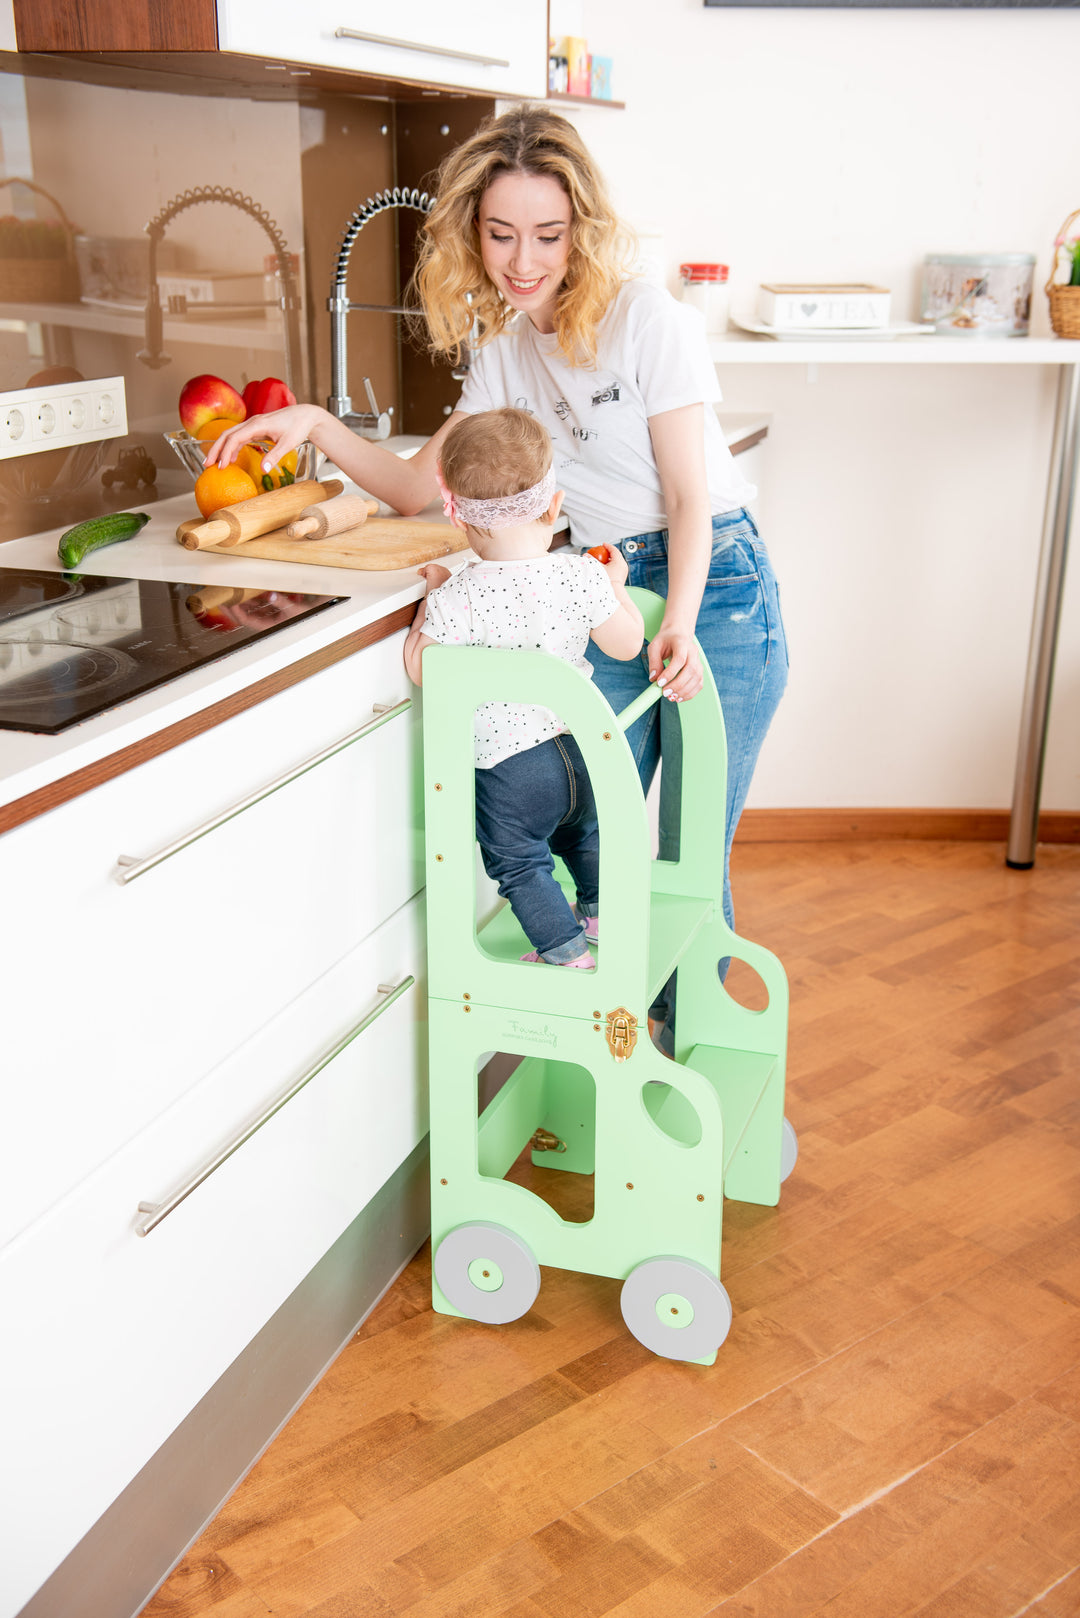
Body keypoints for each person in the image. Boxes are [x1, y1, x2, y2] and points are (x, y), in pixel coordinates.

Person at [207, 105, 788, 1033]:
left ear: (581, 230)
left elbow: (687, 498)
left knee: (688, 848)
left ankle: (691, 1063)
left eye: (548, 235)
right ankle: (611, 1053)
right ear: (471, 234)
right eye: (502, 234)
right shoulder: (505, 354)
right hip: (605, 585)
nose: (524, 261)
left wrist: (675, 620)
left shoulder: (648, 320)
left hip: (710, 584)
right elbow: (413, 490)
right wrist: (316, 424)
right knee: (586, 826)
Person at [404, 406, 643, 968]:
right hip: (583, 750)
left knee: (518, 860)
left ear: (458, 519)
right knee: (582, 834)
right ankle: (604, 912)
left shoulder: (461, 595)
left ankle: (564, 951)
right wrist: (617, 586)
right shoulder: (580, 572)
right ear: (553, 506)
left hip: (512, 769)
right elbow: (626, 645)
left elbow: (423, 669)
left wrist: (427, 606)